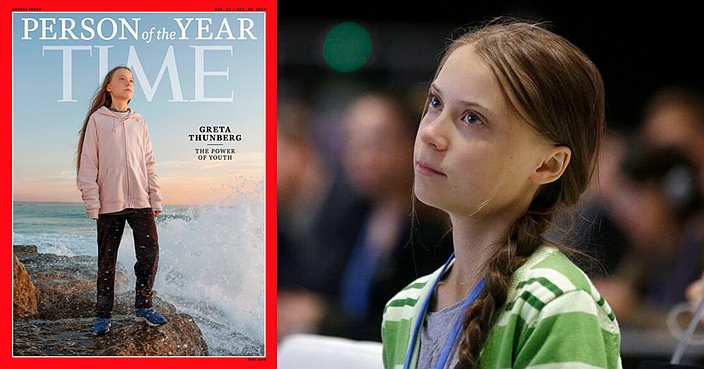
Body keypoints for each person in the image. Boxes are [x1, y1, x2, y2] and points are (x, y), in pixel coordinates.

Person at [381, 19, 622, 369]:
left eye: (472, 119)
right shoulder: (403, 308)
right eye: (435, 102)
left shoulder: (556, 303)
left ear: (548, 165)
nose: (432, 132)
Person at [76, 66, 167, 336]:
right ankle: (103, 314)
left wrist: (155, 197)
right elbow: (88, 164)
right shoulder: (97, 120)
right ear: (108, 87)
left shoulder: (140, 121)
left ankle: (144, 305)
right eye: (122, 79)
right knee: (107, 261)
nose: (128, 83)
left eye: (132, 80)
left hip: (140, 200)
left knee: (149, 252)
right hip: (109, 202)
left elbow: (149, 163)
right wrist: (92, 201)